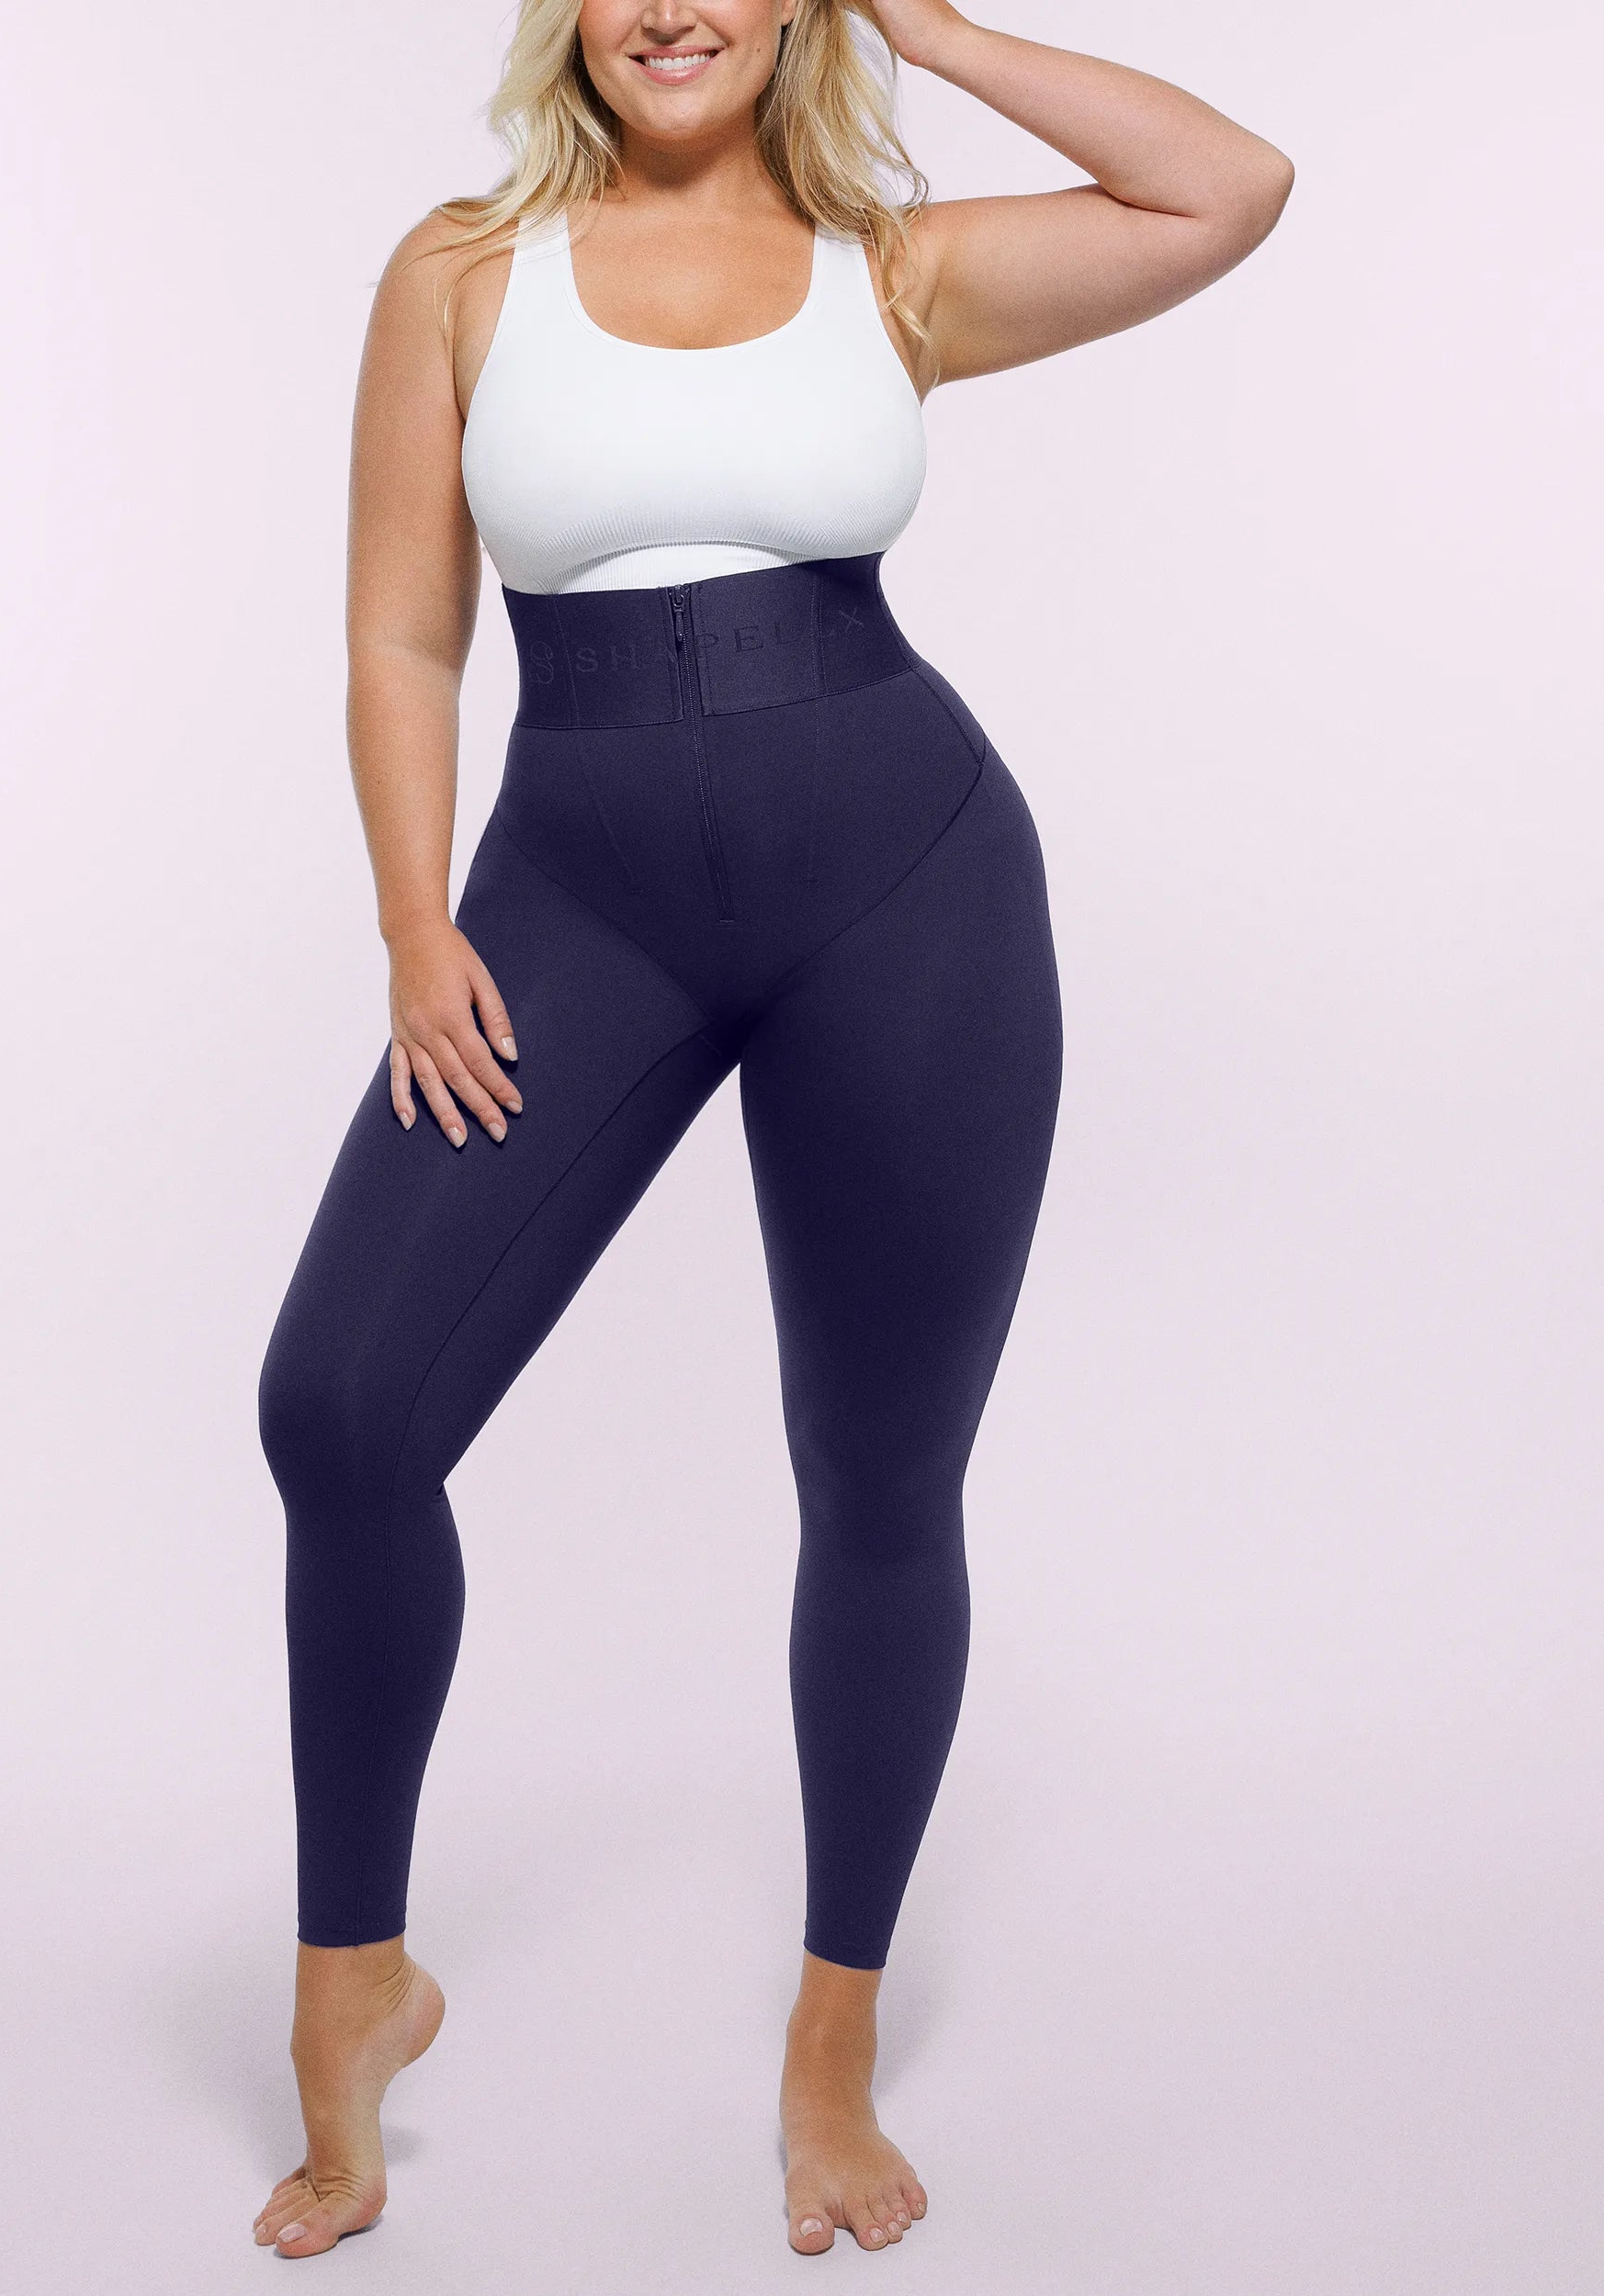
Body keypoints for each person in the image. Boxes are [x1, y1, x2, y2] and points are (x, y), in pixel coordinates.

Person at [252, 0, 1292, 2261]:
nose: (673, 7)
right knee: (341, 1407)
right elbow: (404, 638)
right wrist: (416, 924)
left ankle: (833, 2035)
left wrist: (928, 24)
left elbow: (1227, 188)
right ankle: (354, 1975)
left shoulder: (888, 267)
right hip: (572, 909)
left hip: (907, 892)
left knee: (881, 1473)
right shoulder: (460, 269)